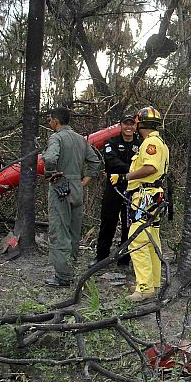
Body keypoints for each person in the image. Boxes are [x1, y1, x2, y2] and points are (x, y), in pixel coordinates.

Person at [110, 106, 169, 302]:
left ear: (140, 123)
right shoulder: (158, 141)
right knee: (152, 241)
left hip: (146, 195)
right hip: (152, 195)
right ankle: (153, 284)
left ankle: (143, 288)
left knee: (138, 239)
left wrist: (124, 177)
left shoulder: (150, 143)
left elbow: (150, 167)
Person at [42, 107, 102, 287]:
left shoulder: (56, 138)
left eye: (50, 120)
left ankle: (63, 276)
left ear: (55, 121)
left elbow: (51, 159)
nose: (49, 123)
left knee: (59, 230)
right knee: (74, 231)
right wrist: (83, 181)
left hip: (61, 186)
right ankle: (71, 267)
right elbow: (95, 162)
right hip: (77, 187)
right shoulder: (80, 140)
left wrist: (52, 174)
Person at [91, 114, 141, 268]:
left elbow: (144, 164)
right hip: (113, 187)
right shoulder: (111, 142)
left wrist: (130, 174)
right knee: (108, 221)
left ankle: (124, 258)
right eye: (125, 124)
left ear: (135, 126)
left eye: (131, 124)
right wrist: (131, 171)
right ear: (120, 125)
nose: (128, 127)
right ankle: (101, 257)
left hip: (133, 188)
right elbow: (111, 162)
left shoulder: (141, 144)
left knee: (129, 223)